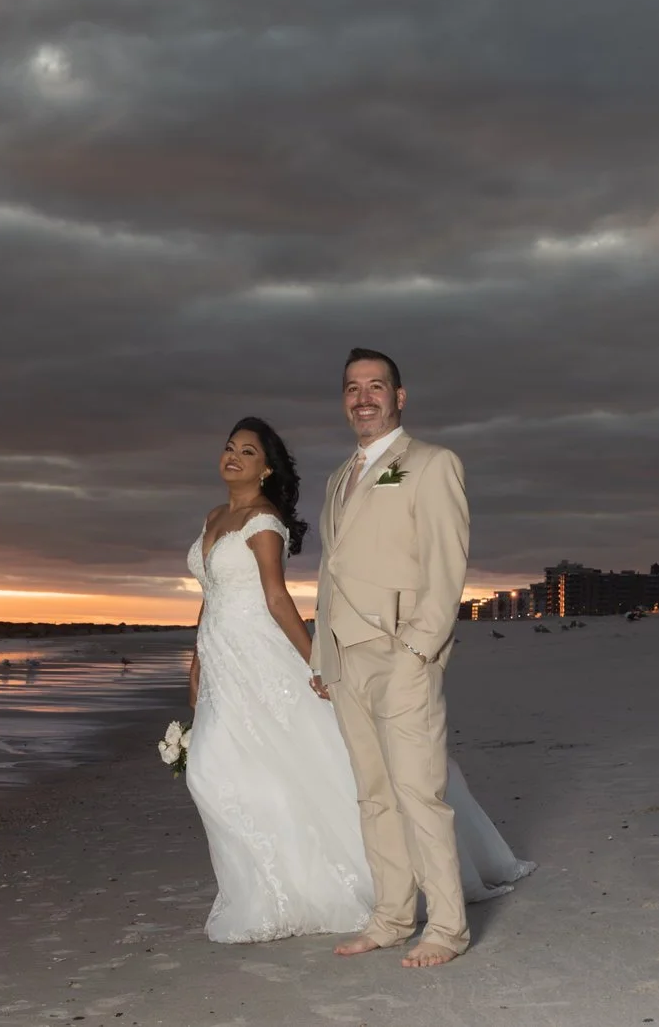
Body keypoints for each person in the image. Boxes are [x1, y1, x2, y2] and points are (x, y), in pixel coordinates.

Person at [183, 414, 531, 947]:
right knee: (215, 771)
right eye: (229, 447)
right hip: (221, 659)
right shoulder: (212, 516)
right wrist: (197, 665)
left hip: (263, 655)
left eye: (248, 451)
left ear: (267, 467)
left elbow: (278, 601)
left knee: (305, 766)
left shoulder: (263, 521)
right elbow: (210, 599)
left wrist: (315, 662)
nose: (233, 456)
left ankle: (359, 889)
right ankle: (263, 886)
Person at [309, 347, 508, 967]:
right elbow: (329, 571)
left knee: (419, 793)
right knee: (374, 795)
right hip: (345, 659)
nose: (362, 397)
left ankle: (446, 928)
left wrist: (418, 651)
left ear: (399, 397)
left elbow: (447, 565)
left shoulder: (430, 464)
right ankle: (393, 917)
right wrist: (322, 655)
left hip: (401, 654)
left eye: (376, 386)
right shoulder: (340, 478)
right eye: (351, 387)